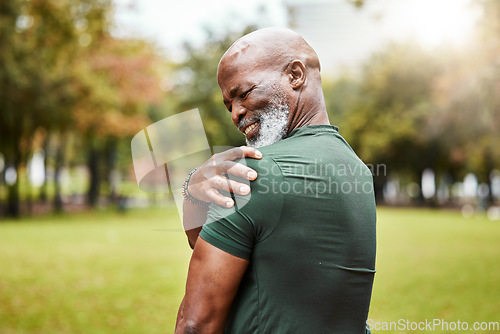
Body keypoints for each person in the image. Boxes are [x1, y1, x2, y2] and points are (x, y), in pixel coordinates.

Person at [175, 27, 376, 333]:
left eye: (242, 94)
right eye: (229, 105)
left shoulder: (255, 173)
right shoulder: (357, 170)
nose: (235, 114)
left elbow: (195, 324)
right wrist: (193, 192)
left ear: (295, 75)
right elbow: (204, 242)